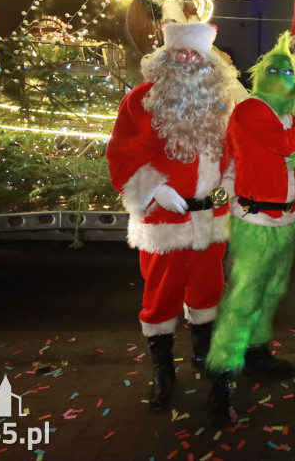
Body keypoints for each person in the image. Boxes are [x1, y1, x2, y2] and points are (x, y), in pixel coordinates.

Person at [206, 31, 295, 427]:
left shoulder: (285, 114)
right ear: (259, 75)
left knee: (271, 292)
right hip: (256, 222)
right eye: (274, 68)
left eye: (288, 69)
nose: (282, 74)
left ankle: (257, 355)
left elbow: (285, 158)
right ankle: (221, 378)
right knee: (244, 299)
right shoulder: (250, 110)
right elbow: (282, 144)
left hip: (286, 220)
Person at [106, 21, 237, 410]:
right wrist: (154, 189)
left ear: (206, 61)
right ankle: (163, 369)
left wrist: (226, 187)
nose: (187, 60)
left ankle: (202, 355)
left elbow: (231, 155)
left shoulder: (221, 100)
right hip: (163, 222)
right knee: (160, 296)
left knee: (208, 292)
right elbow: (122, 152)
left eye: (194, 54)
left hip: (209, 220)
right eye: (180, 53)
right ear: (165, 57)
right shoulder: (142, 99)